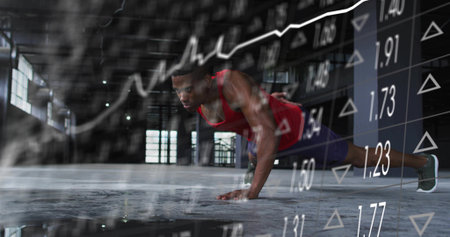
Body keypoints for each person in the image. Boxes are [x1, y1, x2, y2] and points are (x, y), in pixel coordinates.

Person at [171, 65, 439, 200]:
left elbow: (269, 133)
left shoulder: (230, 83)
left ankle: (424, 162)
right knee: (255, 148)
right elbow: (250, 114)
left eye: (188, 89)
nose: (183, 97)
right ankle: (256, 160)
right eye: (178, 90)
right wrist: (267, 99)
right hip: (262, 132)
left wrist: (252, 191)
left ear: (207, 80)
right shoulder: (198, 100)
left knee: (358, 157)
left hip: (295, 130)